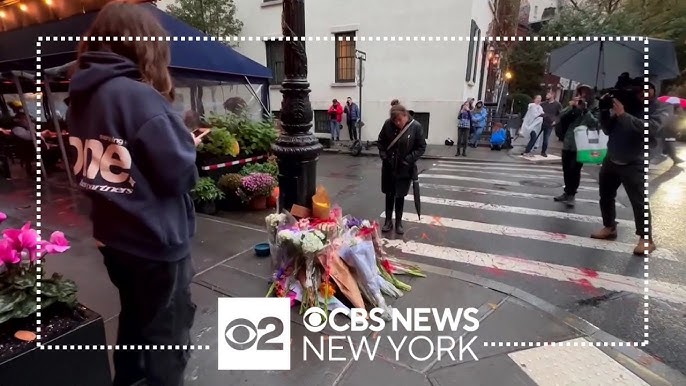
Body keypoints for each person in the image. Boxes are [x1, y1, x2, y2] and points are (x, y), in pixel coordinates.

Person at [67, 2, 200, 385]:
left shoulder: (83, 95)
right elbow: (180, 176)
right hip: (155, 243)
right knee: (167, 338)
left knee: (134, 321)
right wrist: (187, 144)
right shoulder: (140, 98)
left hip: (114, 238)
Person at [591, 82, 672, 255]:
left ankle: (646, 239)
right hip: (612, 157)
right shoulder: (630, 105)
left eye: (647, 88)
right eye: (639, 89)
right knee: (605, 196)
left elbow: (650, 128)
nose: (643, 93)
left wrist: (622, 114)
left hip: (635, 161)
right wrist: (604, 110)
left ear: (654, 90)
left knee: (638, 201)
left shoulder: (661, 108)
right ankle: (609, 227)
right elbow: (607, 129)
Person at [378, 104, 427, 235]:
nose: (397, 123)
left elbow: (421, 147)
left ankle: (398, 222)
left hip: (404, 168)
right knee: (389, 194)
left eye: (399, 120)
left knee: (400, 195)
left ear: (405, 115)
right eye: (395, 120)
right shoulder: (388, 124)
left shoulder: (415, 126)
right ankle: (388, 221)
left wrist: (408, 159)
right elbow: (381, 141)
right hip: (389, 167)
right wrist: (384, 156)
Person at [554, 85, 598, 207]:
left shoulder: (594, 107)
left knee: (575, 169)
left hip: (582, 144)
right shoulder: (574, 104)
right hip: (568, 142)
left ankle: (572, 194)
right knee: (566, 169)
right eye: (580, 93)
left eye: (584, 94)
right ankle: (567, 192)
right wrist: (572, 106)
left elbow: (596, 123)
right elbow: (561, 116)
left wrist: (585, 111)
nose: (582, 96)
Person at [538, 90, 563, 157]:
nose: (546, 96)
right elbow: (538, 111)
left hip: (549, 124)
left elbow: (560, 114)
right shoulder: (543, 104)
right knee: (535, 136)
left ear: (552, 95)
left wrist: (555, 121)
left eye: (548, 95)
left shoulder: (557, 105)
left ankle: (543, 152)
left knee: (546, 138)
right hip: (541, 122)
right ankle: (529, 149)